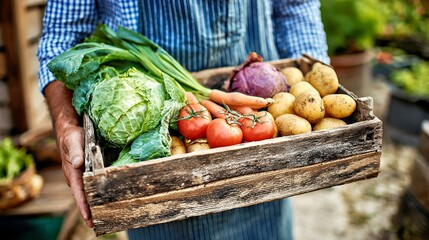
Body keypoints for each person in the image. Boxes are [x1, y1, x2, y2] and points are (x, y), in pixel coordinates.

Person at [38, 0, 329, 239]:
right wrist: (65, 126)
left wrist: (316, 86)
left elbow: (295, 5)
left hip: (264, 167)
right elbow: (61, 37)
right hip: (157, 185)